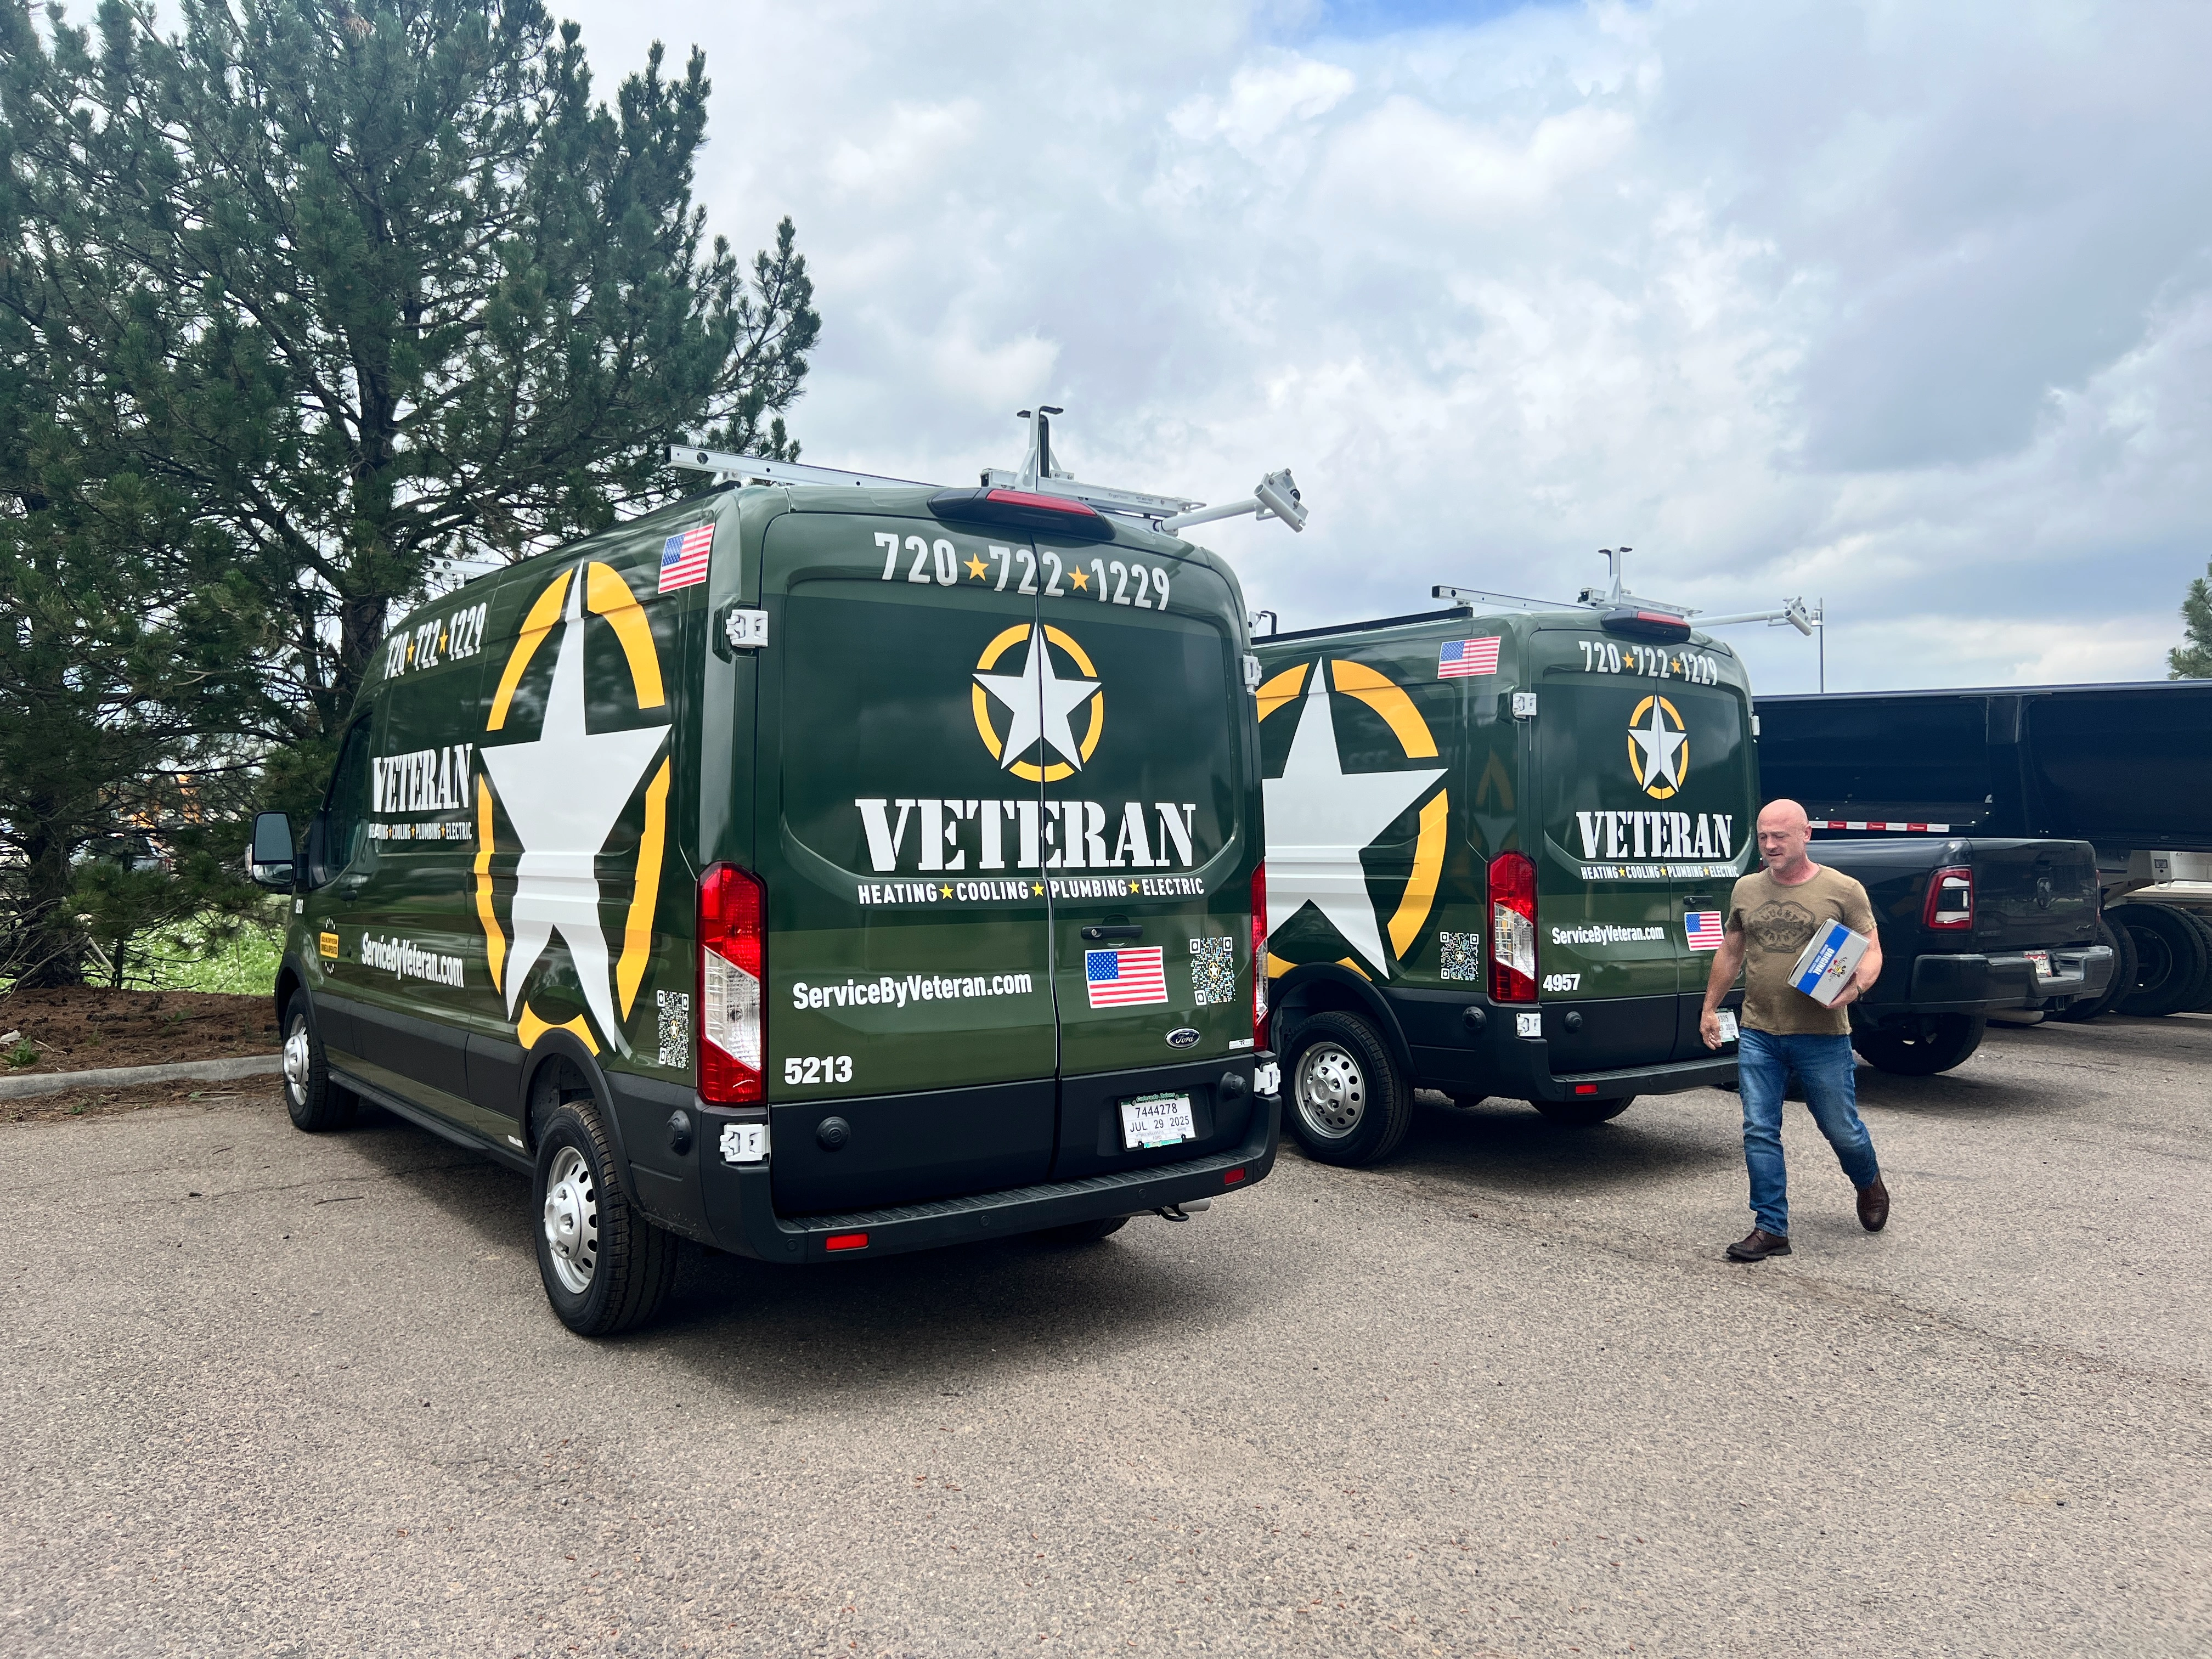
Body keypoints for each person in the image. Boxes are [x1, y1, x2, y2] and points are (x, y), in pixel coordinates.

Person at [1700, 798, 1891, 1261]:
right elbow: (1731, 951)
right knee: (1759, 1129)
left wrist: (1857, 988)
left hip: (1822, 1035)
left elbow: (1871, 951)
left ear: (1807, 834)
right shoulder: (1745, 889)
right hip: (1760, 1031)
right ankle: (1771, 1228)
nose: (1769, 845)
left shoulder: (1843, 890)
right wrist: (1709, 1008)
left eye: (1779, 836)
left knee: (1841, 1129)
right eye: (1763, 836)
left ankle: (1868, 1180)